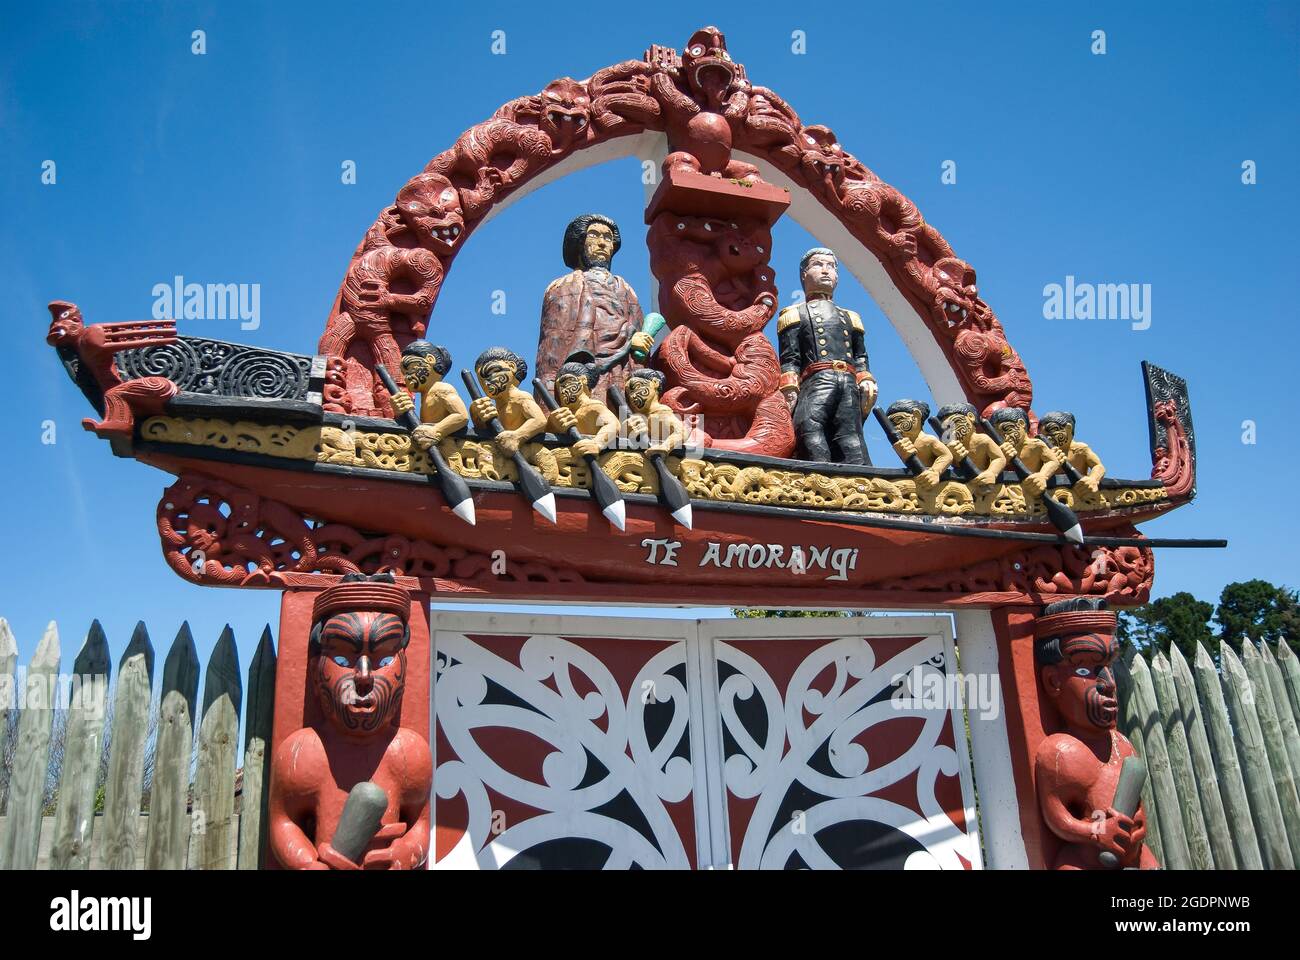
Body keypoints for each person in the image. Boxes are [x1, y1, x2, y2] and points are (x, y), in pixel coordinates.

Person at [535, 214, 654, 402]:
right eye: (594, 235)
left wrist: (638, 340)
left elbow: (640, 342)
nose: (602, 243)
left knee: (621, 422)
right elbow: (552, 350)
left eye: (607, 238)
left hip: (622, 374)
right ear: (580, 241)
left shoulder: (626, 289)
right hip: (582, 372)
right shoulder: (563, 286)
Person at [777, 247, 877, 463]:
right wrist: (789, 387)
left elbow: (860, 356)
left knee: (852, 436)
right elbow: (790, 358)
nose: (825, 271)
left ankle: (861, 482)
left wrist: (866, 378)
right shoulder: (793, 313)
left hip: (848, 381)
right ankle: (819, 477)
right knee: (808, 428)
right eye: (818, 265)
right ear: (804, 274)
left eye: (830, 266)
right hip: (816, 379)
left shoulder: (851, 316)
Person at [468, 347, 549, 458]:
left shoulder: (520, 397)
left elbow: (539, 420)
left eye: (492, 373)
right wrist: (476, 414)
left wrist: (517, 436)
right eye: (481, 380)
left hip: (527, 453)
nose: (486, 382)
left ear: (512, 367)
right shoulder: (494, 409)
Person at [388, 340, 468, 452]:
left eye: (411, 369)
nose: (406, 377)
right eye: (404, 374)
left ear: (430, 360)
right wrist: (401, 413)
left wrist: (436, 430)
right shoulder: (425, 397)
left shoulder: (441, 388)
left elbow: (461, 415)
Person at [548, 360, 620, 458]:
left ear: (583, 380)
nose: (563, 390)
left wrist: (597, 444)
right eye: (559, 386)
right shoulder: (562, 414)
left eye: (568, 382)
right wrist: (552, 424)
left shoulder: (592, 406)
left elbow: (613, 424)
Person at [989, 406, 1060, 499]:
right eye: (999, 434)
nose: (1005, 437)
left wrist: (1042, 476)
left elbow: (1053, 461)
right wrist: (1003, 459)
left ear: (1021, 424)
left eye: (1007, 429)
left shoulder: (1036, 445)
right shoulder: (1000, 449)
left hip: (1033, 489)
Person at [935, 401, 1007, 489]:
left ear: (970, 417)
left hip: (984, 481)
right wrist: (949, 453)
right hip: (961, 482)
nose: (952, 431)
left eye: (956, 422)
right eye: (947, 428)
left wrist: (991, 472)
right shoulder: (948, 444)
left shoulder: (983, 440)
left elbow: (999, 458)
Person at [884, 399, 951, 489]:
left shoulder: (928, 440)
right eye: (892, 425)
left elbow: (946, 455)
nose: (896, 427)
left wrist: (935, 471)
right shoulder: (903, 443)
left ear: (916, 415)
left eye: (899, 420)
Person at [1038, 411, 1106, 496]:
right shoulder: (1043, 451)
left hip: (1079, 493)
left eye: (1051, 433)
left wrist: (1093, 479)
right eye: (1043, 436)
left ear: (1068, 429)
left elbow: (1098, 466)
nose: (1048, 439)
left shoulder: (1080, 449)